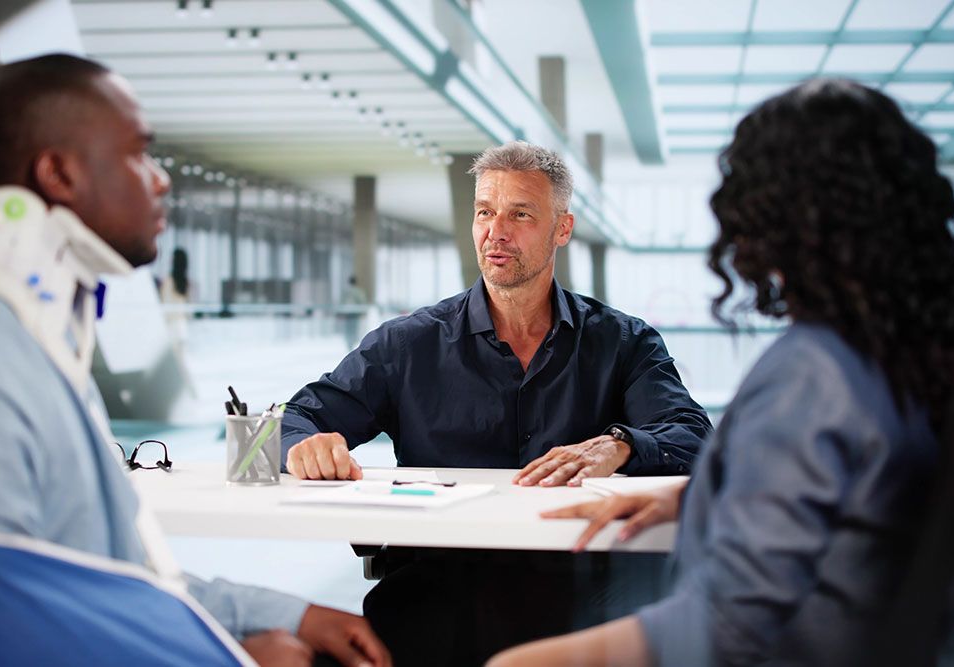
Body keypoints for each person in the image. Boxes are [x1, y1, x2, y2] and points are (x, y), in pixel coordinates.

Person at [487, 79, 954, 666]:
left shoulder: (811, 375)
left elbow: (736, 624)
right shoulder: (927, 355)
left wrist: (527, 663)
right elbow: (864, 504)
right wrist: (706, 495)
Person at [0, 53, 390, 667]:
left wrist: (284, 614)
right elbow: (9, 619)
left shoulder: (45, 352)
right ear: (59, 174)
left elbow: (118, 577)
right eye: (138, 153)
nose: (161, 179)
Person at [280, 140, 712, 665]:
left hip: (580, 588)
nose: (495, 232)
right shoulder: (407, 344)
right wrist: (306, 446)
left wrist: (619, 445)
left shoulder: (623, 342)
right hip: (441, 589)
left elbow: (692, 434)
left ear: (562, 230)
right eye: (484, 212)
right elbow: (297, 418)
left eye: (520, 215)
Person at [338, 274, 368, 350]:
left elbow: (341, 303)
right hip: (356, 314)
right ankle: (353, 344)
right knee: (354, 329)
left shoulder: (345, 291)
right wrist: (363, 313)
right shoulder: (358, 292)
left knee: (348, 329)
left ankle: (349, 344)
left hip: (347, 315)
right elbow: (362, 302)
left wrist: (340, 313)